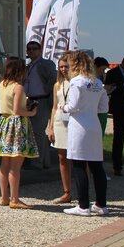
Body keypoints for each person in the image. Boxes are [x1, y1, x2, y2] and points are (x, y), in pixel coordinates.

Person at [61, 50, 111, 216]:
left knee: (79, 165)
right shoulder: (97, 82)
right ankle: (101, 204)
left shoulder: (76, 82)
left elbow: (73, 105)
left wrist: (64, 107)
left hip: (79, 126)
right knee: (97, 166)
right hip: (94, 125)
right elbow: (104, 107)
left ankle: (83, 206)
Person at [0, 57, 38, 209]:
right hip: (17, 125)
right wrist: (32, 112)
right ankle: (14, 199)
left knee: (4, 163)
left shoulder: (2, 84)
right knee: (15, 165)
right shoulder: (18, 87)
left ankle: (4, 197)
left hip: (4, 122)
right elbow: (17, 110)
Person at [23, 40, 58, 169]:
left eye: (34, 49)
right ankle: (44, 162)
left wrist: (45, 91)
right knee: (35, 133)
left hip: (42, 100)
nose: (31, 51)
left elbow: (53, 79)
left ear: (40, 50)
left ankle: (37, 162)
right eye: (29, 49)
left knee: (37, 132)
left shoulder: (46, 64)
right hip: (30, 100)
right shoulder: (28, 66)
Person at [47, 57, 73, 204]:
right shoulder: (57, 85)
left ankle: (85, 190)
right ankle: (67, 191)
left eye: (66, 66)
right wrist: (50, 127)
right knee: (62, 157)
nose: (63, 69)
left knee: (80, 158)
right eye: (61, 67)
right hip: (60, 121)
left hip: (74, 121)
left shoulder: (76, 83)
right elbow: (54, 106)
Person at [93, 56, 111, 136]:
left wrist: (107, 91)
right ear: (95, 66)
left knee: (100, 137)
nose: (103, 72)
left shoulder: (98, 80)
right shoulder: (90, 80)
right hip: (97, 113)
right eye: (102, 69)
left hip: (103, 112)